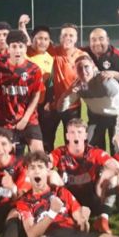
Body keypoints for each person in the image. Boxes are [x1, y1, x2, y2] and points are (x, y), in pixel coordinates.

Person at [50, 119, 119, 234]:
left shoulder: (93, 152)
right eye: (72, 132)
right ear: (67, 136)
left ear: (85, 135)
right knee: (51, 174)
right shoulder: (59, 152)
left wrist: (103, 177)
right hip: (69, 199)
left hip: (91, 196)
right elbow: (46, 164)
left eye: (79, 132)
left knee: (114, 176)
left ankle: (103, 219)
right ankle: (61, 216)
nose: (76, 136)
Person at [59, 54, 119, 154]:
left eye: (86, 67)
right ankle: (99, 169)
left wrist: (118, 133)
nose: (84, 72)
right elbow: (61, 108)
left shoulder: (106, 82)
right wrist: (68, 91)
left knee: (118, 147)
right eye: (79, 69)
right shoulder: (78, 86)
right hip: (98, 117)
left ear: (94, 67)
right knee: (90, 148)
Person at [0, 30, 45, 157]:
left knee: (39, 155)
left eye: (21, 46)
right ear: (8, 48)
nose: (17, 50)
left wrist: (25, 119)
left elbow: (36, 95)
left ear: (26, 48)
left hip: (29, 119)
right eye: (14, 46)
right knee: (9, 159)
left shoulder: (34, 69)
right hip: (6, 121)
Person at [42, 23, 87, 152]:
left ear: (76, 38)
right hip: (51, 105)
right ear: (60, 38)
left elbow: (89, 77)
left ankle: (70, 169)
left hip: (72, 106)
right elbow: (34, 46)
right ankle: (47, 169)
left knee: (72, 140)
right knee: (47, 139)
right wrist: (22, 27)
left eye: (71, 35)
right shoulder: (52, 51)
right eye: (64, 35)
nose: (67, 38)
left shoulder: (82, 56)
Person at [83, 28, 119, 96]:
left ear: (107, 40)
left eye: (101, 39)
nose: (97, 43)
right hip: (95, 103)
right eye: (93, 40)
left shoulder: (117, 55)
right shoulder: (84, 52)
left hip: (115, 103)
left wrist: (114, 74)